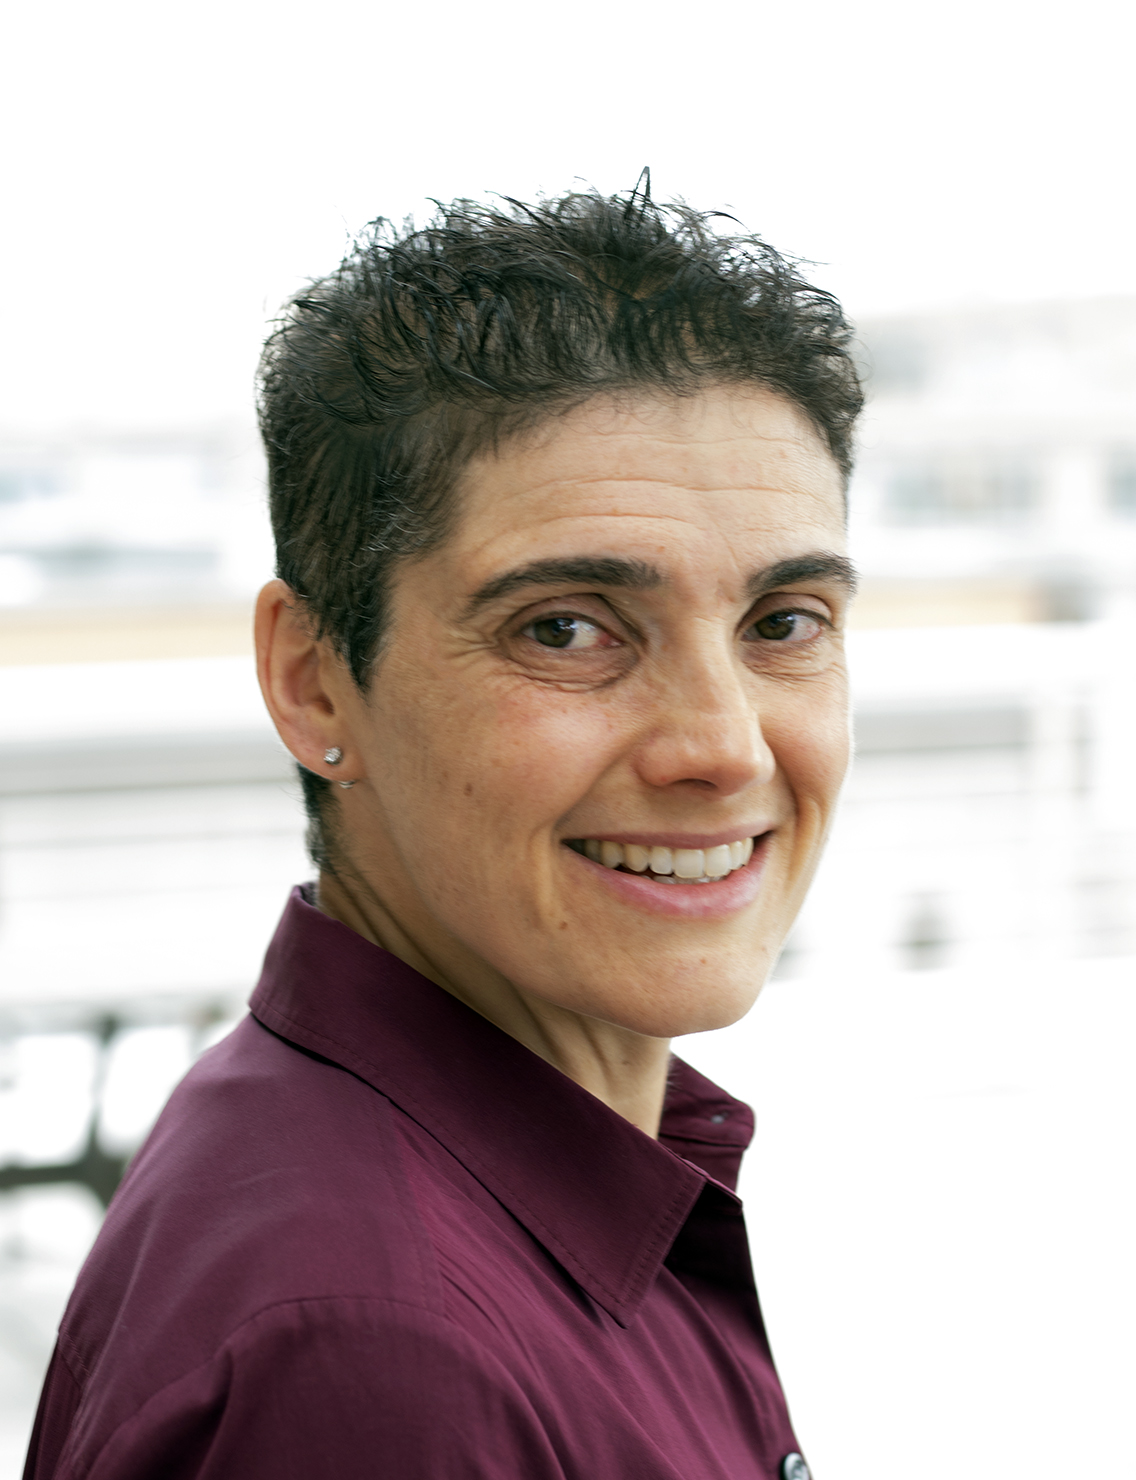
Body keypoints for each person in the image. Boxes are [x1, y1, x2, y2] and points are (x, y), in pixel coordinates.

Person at [24, 179, 862, 1480]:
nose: (726, 748)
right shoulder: (378, 1360)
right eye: (566, 629)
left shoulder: (411, 1176)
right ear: (313, 680)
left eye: (783, 623)